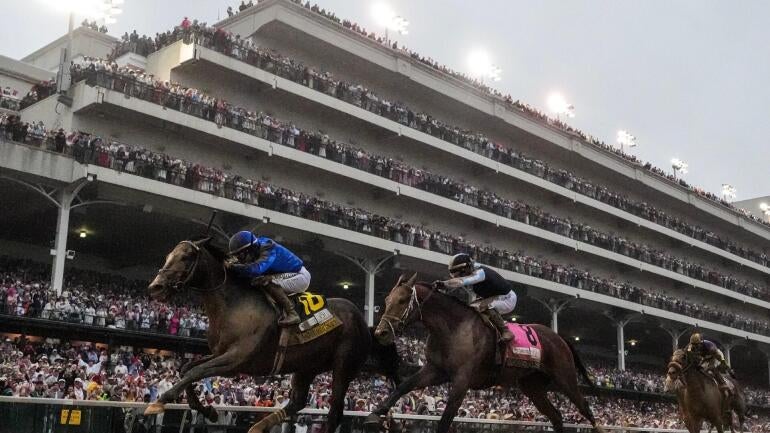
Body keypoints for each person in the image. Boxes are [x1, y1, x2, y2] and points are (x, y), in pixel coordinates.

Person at [226, 231, 310, 326]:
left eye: (240, 255)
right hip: (283, 274)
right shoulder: (256, 248)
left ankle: (292, 313)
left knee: (265, 281)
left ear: (250, 250)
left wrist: (233, 266)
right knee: (256, 281)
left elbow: (256, 269)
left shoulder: (268, 248)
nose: (239, 259)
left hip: (299, 275)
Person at [433, 253, 515, 342]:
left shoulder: (481, 273)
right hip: (493, 296)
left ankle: (505, 331)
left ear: (466, 268)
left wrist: (444, 284)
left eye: (460, 274)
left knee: (484, 306)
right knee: (471, 308)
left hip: (507, 298)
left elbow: (461, 282)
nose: (459, 277)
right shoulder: (471, 270)